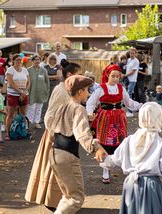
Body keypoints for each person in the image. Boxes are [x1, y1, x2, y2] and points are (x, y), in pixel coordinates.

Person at [100, 102, 162, 214]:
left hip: (131, 184)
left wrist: (100, 155)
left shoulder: (129, 140)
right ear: (158, 118)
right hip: (152, 186)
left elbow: (113, 161)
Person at [25, 60, 82, 211]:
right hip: (56, 135)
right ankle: (53, 200)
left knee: (63, 170)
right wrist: (54, 133)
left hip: (64, 134)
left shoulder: (69, 90)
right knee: (53, 169)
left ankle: (62, 201)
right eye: (79, 74)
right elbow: (50, 115)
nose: (81, 77)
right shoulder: (60, 90)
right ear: (70, 75)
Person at [47, 75, 107, 214]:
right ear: (80, 92)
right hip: (67, 156)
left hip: (55, 153)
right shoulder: (78, 109)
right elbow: (82, 134)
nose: (89, 93)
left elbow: (52, 128)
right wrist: (95, 148)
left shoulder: (62, 106)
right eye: (87, 90)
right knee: (76, 198)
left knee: (67, 196)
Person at [87, 64, 142, 184]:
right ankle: (105, 170)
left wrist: (142, 106)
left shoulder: (121, 89)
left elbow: (129, 103)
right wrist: (90, 112)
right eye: (113, 76)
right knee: (105, 144)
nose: (116, 79)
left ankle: (124, 166)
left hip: (118, 119)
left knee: (120, 144)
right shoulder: (100, 89)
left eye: (118, 77)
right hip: (104, 119)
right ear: (107, 75)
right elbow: (91, 103)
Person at [5, 54, 30, 141]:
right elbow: (11, 83)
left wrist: (24, 92)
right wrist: (21, 92)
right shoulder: (10, 70)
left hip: (24, 94)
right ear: (13, 61)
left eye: (20, 60)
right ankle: (7, 133)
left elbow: (28, 82)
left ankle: (22, 131)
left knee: (23, 114)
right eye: (17, 60)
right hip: (13, 94)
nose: (19, 61)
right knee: (11, 114)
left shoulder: (25, 70)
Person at [27, 55, 50, 129]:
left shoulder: (44, 70)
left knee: (39, 108)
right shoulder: (28, 70)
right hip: (32, 92)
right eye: (35, 60)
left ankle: (36, 122)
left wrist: (46, 90)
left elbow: (47, 81)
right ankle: (28, 123)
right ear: (32, 61)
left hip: (41, 92)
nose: (37, 61)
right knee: (31, 108)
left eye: (38, 60)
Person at [124, 48, 139, 117]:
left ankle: (130, 111)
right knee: (127, 94)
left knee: (129, 94)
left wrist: (125, 75)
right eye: (131, 53)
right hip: (127, 79)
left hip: (132, 80)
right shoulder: (129, 60)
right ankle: (128, 110)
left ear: (135, 54)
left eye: (133, 53)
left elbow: (133, 71)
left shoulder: (136, 61)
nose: (132, 54)